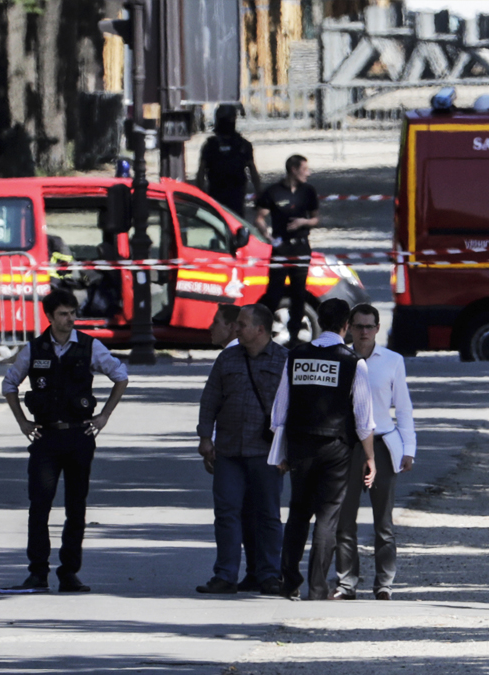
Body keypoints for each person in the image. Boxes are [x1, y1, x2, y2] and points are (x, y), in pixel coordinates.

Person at [0, 289, 129, 594]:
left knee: (76, 507)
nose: (70, 319)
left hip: (78, 435)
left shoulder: (88, 346)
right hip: (46, 436)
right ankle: (37, 573)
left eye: (72, 313)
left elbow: (120, 376)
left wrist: (104, 416)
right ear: (50, 317)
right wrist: (22, 422)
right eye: (63, 314)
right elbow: (9, 384)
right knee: (39, 505)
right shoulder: (34, 349)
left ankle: (69, 573)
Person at [268, 298, 376, 600]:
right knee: (327, 517)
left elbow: (280, 410)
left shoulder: (296, 355)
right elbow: (364, 419)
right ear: (346, 326)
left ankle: (289, 583)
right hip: (336, 447)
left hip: (301, 444)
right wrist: (370, 457)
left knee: (298, 513)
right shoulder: (354, 362)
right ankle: (317, 587)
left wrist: (282, 452)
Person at [195, 304, 288, 596]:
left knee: (268, 515)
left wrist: (289, 451)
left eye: (242, 324)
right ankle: (225, 575)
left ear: (260, 330)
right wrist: (205, 438)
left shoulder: (285, 360)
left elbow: (296, 408)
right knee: (227, 514)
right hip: (229, 451)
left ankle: (270, 575)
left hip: (267, 452)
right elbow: (210, 399)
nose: (236, 329)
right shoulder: (227, 359)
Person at [333, 304, 417, 601]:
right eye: (358, 327)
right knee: (345, 520)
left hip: (383, 443)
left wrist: (409, 449)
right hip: (348, 446)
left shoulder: (392, 360)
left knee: (384, 521)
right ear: (349, 328)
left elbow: (403, 407)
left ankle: (384, 583)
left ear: (378, 328)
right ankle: (346, 583)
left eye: (369, 327)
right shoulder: (340, 358)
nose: (364, 332)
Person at [256, 155, 320, 346]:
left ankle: (294, 336)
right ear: (293, 169)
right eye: (304, 169)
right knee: (274, 292)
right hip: (281, 247)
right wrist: (268, 236)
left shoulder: (308, 191)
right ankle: (263, 334)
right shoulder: (274, 192)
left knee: (298, 294)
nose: (307, 173)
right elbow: (259, 217)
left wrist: (304, 222)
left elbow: (316, 218)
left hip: (301, 246)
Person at [196, 104, 262, 217]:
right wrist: (201, 194)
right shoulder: (212, 145)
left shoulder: (241, 144)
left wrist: (260, 194)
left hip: (235, 192)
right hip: (218, 191)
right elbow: (201, 171)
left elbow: (253, 170)